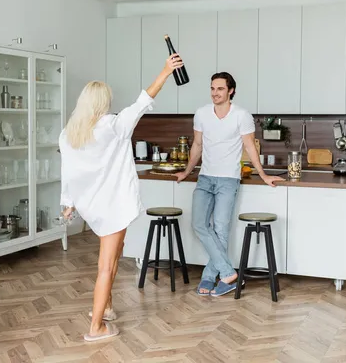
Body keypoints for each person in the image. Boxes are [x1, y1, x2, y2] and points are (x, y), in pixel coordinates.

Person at [59, 53, 184, 341]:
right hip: (113, 205)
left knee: (114, 254)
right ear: (103, 103)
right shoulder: (114, 126)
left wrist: (68, 204)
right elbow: (144, 100)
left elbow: (68, 172)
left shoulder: (69, 133)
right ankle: (96, 327)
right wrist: (166, 70)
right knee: (107, 265)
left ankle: (108, 306)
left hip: (93, 206)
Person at [174, 72, 284, 297]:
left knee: (221, 230)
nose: (215, 93)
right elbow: (197, 145)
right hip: (205, 177)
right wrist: (187, 171)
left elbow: (250, 147)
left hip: (228, 180)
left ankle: (210, 277)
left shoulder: (241, 115)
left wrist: (262, 175)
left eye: (220, 89)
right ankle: (228, 273)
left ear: (230, 91)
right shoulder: (202, 113)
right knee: (198, 224)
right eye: (213, 89)